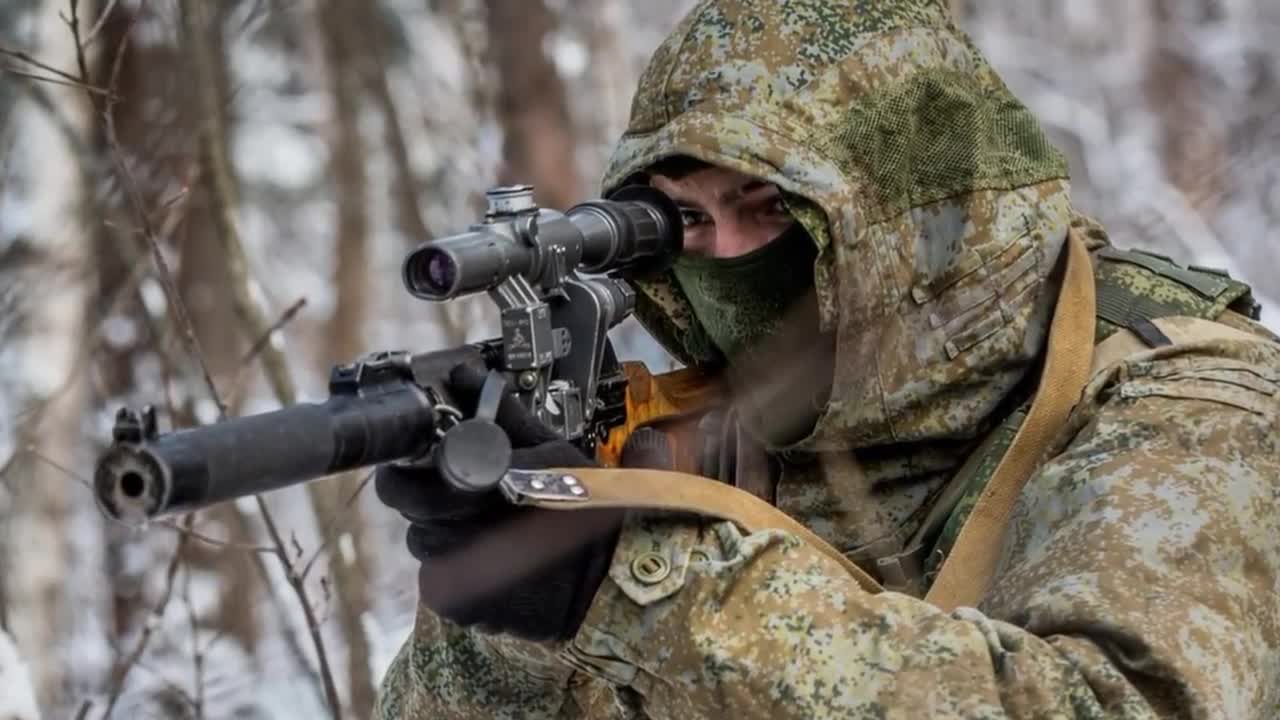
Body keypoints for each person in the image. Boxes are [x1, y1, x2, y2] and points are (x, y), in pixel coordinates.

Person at [373, 1, 1280, 717]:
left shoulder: (1187, 402)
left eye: (770, 208)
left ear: (921, 214)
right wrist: (508, 595)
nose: (726, 259)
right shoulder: (724, 418)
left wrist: (626, 586)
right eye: (686, 218)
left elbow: (1106, 705)